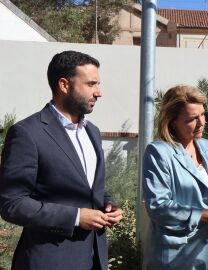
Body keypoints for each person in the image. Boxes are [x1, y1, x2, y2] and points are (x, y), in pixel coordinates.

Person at [0, 51, 123, 270]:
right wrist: (75, 217)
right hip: (49, 260)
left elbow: (91, 187)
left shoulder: (92, 132)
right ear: (64, 85)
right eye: (91, 84)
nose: (99, 92)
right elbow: (12, 203)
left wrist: (108, 204)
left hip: (94, 259)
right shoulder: (27, 133)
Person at [142, 85, 208, 270]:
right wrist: (207, 216)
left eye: (203, 115)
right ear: (172, 121)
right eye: (192, 119)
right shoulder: (158, 152)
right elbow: (158, 207)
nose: (202, 123)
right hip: (175, 257)